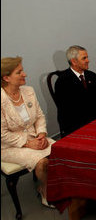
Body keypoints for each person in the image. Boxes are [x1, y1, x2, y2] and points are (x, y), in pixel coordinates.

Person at [1, 57, 56, 208]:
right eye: (19, 72)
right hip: (8, 147)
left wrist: (41, 135)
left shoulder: (28, 91)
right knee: (42, 162)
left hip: (35, 138)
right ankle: (44, 192)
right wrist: (27, 143)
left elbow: (39, 116)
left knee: (62, 150)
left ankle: (60, 186)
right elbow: (2, 134)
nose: (25, 74)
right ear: (6, 78)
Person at [55, 45, 96, 136]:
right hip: (76, 125)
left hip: (95, 120)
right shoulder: (62, 81)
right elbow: (67, 111)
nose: (88, 60)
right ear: (74, 61)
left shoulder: (92, 76)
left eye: (87, 57)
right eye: (84, 58)